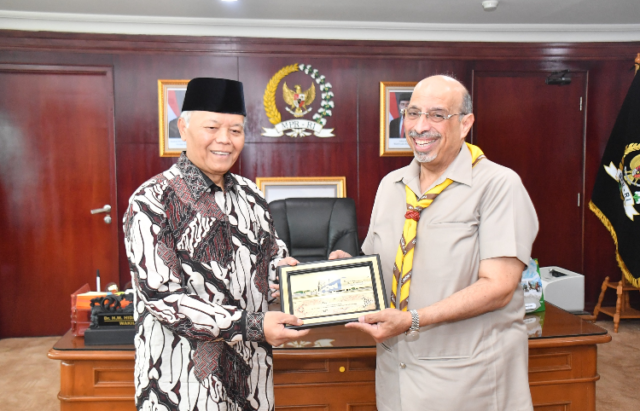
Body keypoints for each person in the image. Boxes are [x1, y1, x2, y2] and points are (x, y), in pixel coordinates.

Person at [331, 75, 538, 411]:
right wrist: (347, 269)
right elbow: (382, 268)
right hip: (395, 375)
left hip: (470, 382)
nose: (420, 126)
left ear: (465, 123)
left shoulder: (499, 185)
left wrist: (412, 319)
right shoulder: (391, 185)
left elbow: (498, 287)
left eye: (437, 115)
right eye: (413, 113)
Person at [124, 77, 309, 411]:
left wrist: (294, 277)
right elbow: (162, 298)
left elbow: (271, 263)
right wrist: (253, 325)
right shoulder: (151, 200)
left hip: (250, 378)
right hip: (182, 383)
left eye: (235, 130)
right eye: (212, 127)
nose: (225, 140)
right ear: (183, 128)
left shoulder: (251, 196)